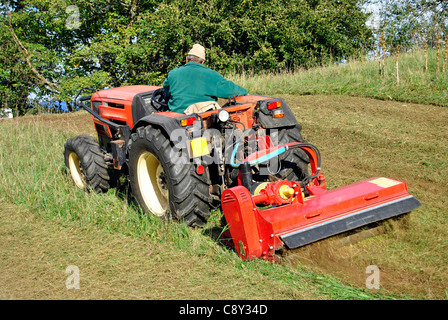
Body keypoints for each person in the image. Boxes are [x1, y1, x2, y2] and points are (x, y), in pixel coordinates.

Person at [163, 44, 248, 114]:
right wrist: (244, 91)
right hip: (203, 119)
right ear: (203, 61)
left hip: (177, 117)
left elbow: (166, 90)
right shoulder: (212, 75)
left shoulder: (173, 73)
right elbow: (231, 90)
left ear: (187, 59)